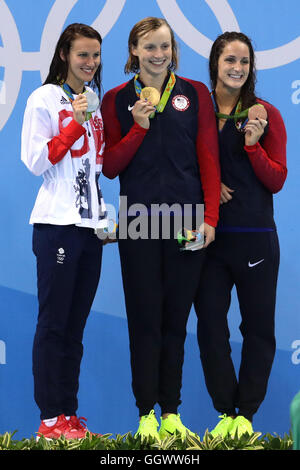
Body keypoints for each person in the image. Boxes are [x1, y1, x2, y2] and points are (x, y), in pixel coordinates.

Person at [101, 17, 220, 440]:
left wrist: (210, 219)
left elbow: (208, 156)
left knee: (175, 322)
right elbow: (111, 168)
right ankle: (146, 413)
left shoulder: (194, 93)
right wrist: (138, 126)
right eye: (149, 47)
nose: (158, 55)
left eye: (165, 47)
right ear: (134, 50)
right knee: (144, 321)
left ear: (173, 49)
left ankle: (171, 411)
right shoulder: (115, 99)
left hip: (186, 222)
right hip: (138, 221)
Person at [193, 31, 287, 439]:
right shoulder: (194, 111)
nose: (237, 68)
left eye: (244, 62)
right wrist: (206, 188)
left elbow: (278, 178)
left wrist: (252, 146)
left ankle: (244, 415)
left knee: (258, 328)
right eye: (229, 59)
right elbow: (173, 165)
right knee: (210, 325)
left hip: (255, 236)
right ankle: (225, 410)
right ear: (215, 62)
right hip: (210, 239)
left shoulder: (265, 113)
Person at [21, 23, 107, 440]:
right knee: (54, 323)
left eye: (95, 56)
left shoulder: (94, 103)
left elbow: (95, 168)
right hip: (56, 225)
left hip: (90, 230)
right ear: (63, 56)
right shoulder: (43, 98)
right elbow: (36, 160)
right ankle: (50, 417)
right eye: (82, 55)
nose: (90, 63)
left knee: (74, 327)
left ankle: (69, 415)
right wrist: (74, 123)